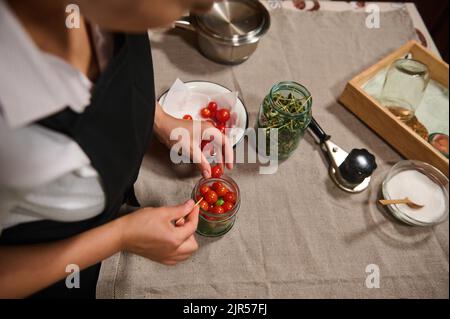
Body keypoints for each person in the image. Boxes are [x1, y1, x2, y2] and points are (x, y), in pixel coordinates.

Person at [0, 0, 233, 299]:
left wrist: (158, 119)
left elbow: (113, 75)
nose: (205, 6)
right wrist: (120, 236)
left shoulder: (109, 9)